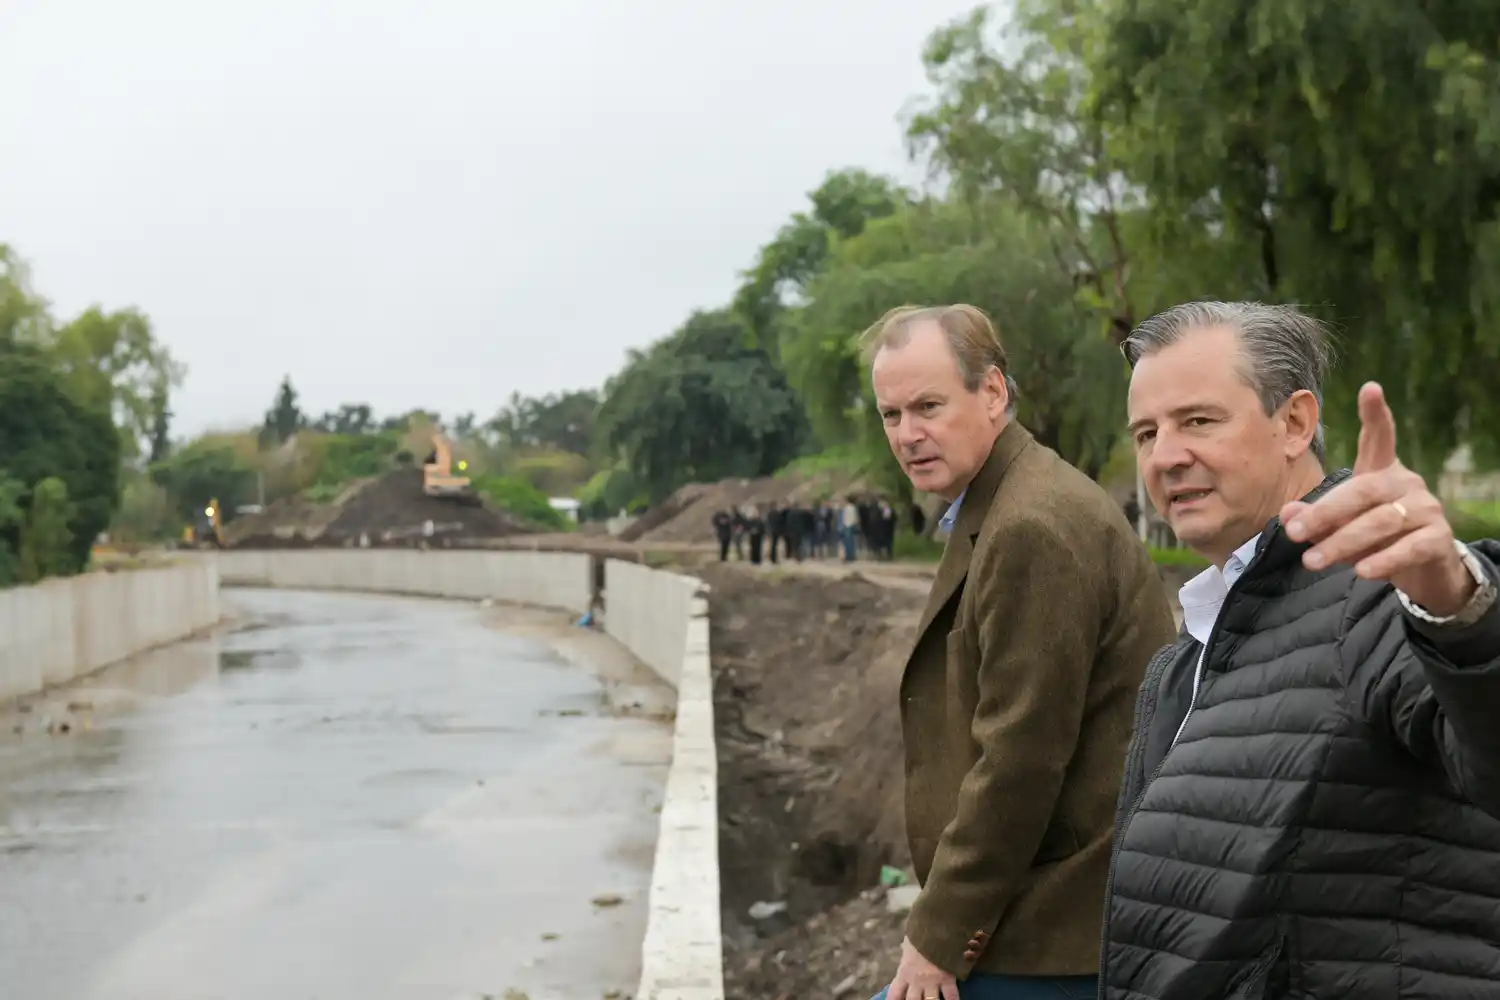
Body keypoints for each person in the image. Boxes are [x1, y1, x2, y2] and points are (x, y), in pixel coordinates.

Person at [1102, 301, 1500, 1000]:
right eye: (1147, 432)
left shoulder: (1379, 591)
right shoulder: (1189, 654)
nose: (1165, 456)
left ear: (1294, 424)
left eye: (1198, 420)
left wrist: (1457, 605)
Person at [862, 304, 1176, 1000]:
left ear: (993, 392)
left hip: (1060, 929)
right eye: (891, 415)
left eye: (929, 406)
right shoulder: (1008, 500)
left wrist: (938, 936)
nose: (908, 434)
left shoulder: (1031, 525)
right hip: (1044, 911)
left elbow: (1020, 760)